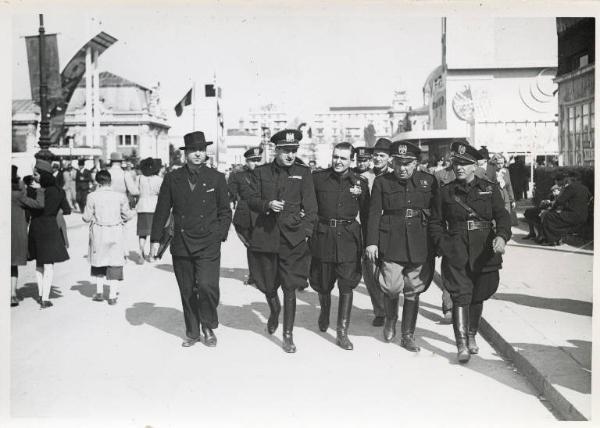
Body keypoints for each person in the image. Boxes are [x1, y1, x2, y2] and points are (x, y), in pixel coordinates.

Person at [429, 141, 511, 363]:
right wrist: (443, 244)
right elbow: (435, 222)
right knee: (460, 296)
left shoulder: (489, 188)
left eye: (465, 164)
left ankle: (472, 334)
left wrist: (502, 236)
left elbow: (502, 216)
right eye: (456, 163)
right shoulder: (445, 192)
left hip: (485, 250)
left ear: (475, 166)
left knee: (479, 294)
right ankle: (462, 343)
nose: (459, 168)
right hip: (456, 250)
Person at [151, 131, 232, 347]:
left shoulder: (216, 178)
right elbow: (161, 210)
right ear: (185, 153)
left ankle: (208, 324)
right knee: (187, 290)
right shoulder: (172, 178)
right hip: (182, 242)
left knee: (206, 286)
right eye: (193, 150)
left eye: (201, 150)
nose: (198, 154)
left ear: (206, 153)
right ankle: (194, 332)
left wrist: (220, 234)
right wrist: (155, 240)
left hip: (208, 243)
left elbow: (225, 210)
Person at [245, 129, 317, 353]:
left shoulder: (303, 173)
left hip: (293, 239)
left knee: (290, 287)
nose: (290, 155)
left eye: (294, 151)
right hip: (266, 236)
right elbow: (250, 199)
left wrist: (306, 232)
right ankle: (274, 310)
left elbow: (312, 207)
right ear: (276, 150)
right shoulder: (261, 172)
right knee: (266, 284)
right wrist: (267, 204)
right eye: (286, 151)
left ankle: (288, 335)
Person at [365, 141, 436, 352]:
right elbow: (374, 214)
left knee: (413, 289)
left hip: (419, 240)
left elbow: (437, 214)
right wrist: (371, 242)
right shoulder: (382, 182)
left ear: (416, 163)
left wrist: (437, 242)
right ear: (392, 162)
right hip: (391, 240)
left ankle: (407, 335)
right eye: (398, 163)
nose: (402, 168)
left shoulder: (428, 181)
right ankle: (390, 318)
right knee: (392, 285)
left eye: (407, 163)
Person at [309, 142, 369, 350]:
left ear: (351, 160)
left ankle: (342, 331)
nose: (338, 161)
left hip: (349, 239)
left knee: (346, 285)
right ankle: (325, 311)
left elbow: (368, 217)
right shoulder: (318, 179)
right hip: (324, 236)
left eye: (343, 158)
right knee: (323, 284)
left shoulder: (360, 183)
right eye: (336, 157)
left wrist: (370, 243)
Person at [83, 170, 136, 304]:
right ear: (110, 181)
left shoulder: (92, 196)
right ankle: (112, 295)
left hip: (99, 231)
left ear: (97, 181)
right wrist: (133, 212)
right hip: (116, 231)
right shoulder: (120, 196)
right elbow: (127, 215)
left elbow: (86, 217)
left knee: (99, 261)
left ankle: (99, 292)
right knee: (115, 262)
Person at [28, 159, 72, 308]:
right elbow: (67, 210)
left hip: (36, 226)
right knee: (49, 264)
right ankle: (45, 298)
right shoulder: (59, 191)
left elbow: (30, 209)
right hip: (50, 227)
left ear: (43, 175)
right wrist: (54, 211)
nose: (34, 177)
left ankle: (41, 295)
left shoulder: (35, 190)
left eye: (36, 174)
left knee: (39, 262)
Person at [360, 138, 392, 327]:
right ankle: (379, 310)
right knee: (371, 272)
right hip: (368, 228)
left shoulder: (395, 175)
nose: (378, 158)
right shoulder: (365, 177)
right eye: (376, 155)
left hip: (389, 229)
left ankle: (390, 308)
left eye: (382, 155)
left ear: (389, 158)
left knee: (388, 271)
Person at [11, 165, 45, 307]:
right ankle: (12, 294)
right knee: (12, 265)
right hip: (15, 234)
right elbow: (38, 204)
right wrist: (40, 190)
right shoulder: (18, 196)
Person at [229, 147, 263, 286]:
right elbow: (230, 193)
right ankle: (254, 276)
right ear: (246, 161)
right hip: (245, 216)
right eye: (253, 160)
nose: (256, 163)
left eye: (258, 160)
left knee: (260, 246)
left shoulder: (264, 174)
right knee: (250, 246)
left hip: (261, 215)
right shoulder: (237, 175)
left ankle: (261, 275)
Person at [539, 171, 592, 246]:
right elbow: (590, 199)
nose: (566, 180)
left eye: (567, 178)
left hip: (573, 215)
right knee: (554, 216)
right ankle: (556, 238)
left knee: (549, 216)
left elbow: (560, 201)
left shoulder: (571, 187)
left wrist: (551, 209)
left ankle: (552, 240)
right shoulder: (585, 188)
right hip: (584, 216)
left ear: (571, 178)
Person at [135, 158, 163, 263]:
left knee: (142, 232)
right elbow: (162, 193)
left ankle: (141, 251)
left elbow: (135, 191)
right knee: (154, 232)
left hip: (142, 206)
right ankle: (152, 255)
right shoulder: (159, 179)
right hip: (155, 207)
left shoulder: (139, 178)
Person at [489, 154, 517, 225]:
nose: (500, 165)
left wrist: (512, 200)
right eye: (498, 163)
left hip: (505, 197)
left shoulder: (506, 171)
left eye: (502, 163)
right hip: (495, 196)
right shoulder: (490, 172)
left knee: (506, 217)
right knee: (496, 219)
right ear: (494, 163)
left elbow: (509, 186)